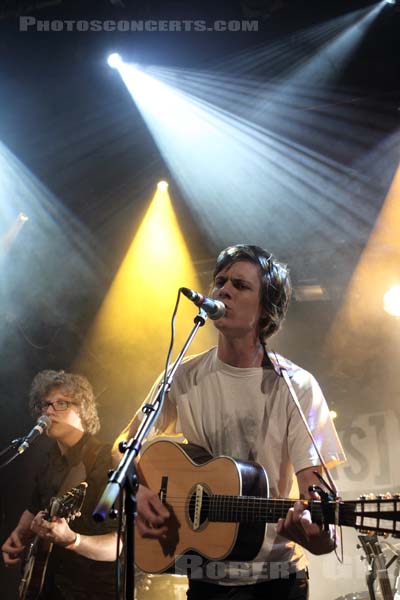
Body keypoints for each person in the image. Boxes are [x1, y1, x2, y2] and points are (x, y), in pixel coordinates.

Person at [114, 244, 346, 600]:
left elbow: (316, 506)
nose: (223, 290)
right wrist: (140, 492)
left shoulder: (296, 385)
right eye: (219, 281)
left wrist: (317, 534)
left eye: (240, 285)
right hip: (203, 577)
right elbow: (121, 448)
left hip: (276, 579)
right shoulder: (181, 376)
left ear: (266, 307)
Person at [1, 370, 119, 599]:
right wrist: (18, 536)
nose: (48, 411)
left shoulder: (105, 461)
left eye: (61, 403)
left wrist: (74, 541)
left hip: (90, 590)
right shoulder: (49, 461)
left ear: (82, 410)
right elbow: (34, 508)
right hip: (48, 587)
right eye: (44, 405)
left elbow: (117, 546)